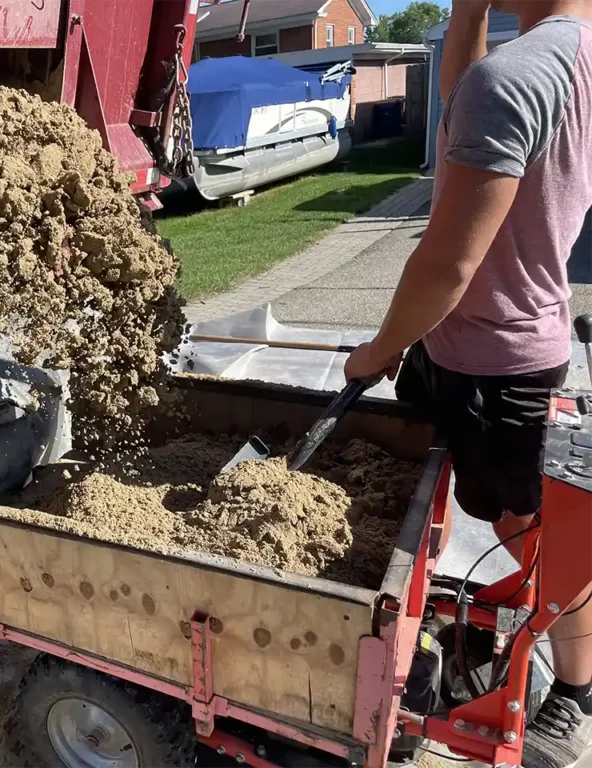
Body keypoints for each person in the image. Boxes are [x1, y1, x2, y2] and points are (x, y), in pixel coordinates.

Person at [344, 2, 592, 766]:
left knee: (535, 535)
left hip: (494, 362)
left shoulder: (512, 77)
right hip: (512, 339)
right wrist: (467, 15)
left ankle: (577, 697)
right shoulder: (560, 58)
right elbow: (463, 103)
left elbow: (448, 264)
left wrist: (381, 349)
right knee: (515, 521)